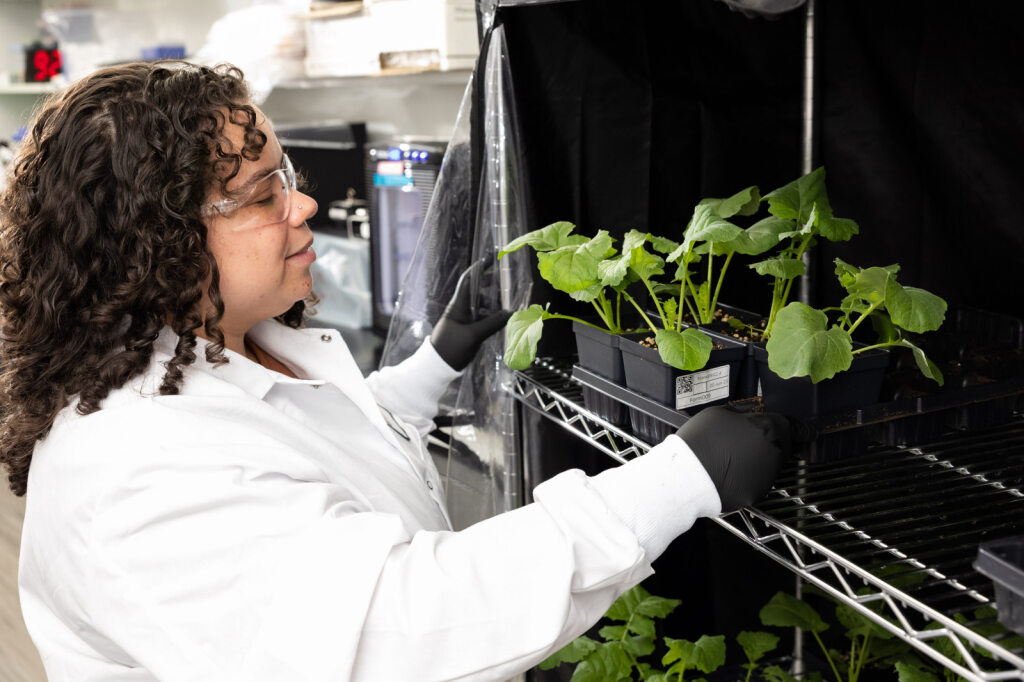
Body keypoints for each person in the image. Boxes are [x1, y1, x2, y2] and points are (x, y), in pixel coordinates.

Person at [0, 61, 793, 681]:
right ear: (151, 243)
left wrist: (436, 361)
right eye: (256, 196)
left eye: (288, 176)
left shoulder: (226, 343)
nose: (302, 206)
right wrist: (678, 481)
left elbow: (315, 457)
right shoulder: (135, 477)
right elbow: (406, 624)